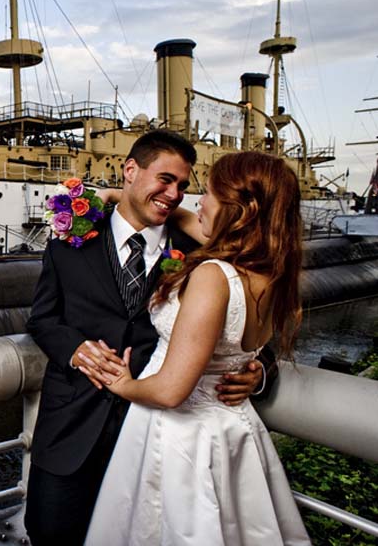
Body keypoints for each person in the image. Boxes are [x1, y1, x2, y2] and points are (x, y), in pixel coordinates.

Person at [23, 130, 269, 545]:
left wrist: (261, 372)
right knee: (51, 533)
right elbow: (43, 318)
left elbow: (245, 322)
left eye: (184, 186)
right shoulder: (70, 237)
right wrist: (76, 349)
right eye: (165, 179)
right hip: (71, 426)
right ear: (131, 170)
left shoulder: (200, 251)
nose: (175, 194)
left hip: (156, 435)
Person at [82, 151, 309, 544]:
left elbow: (171, 391)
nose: (196, 202)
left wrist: (122, 383)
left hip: (180, 438)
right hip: (232, 430)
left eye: (209, 193)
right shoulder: (271, 268)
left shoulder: (212, 275)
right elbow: (190, 221)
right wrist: (119, 195)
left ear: (240, 210)